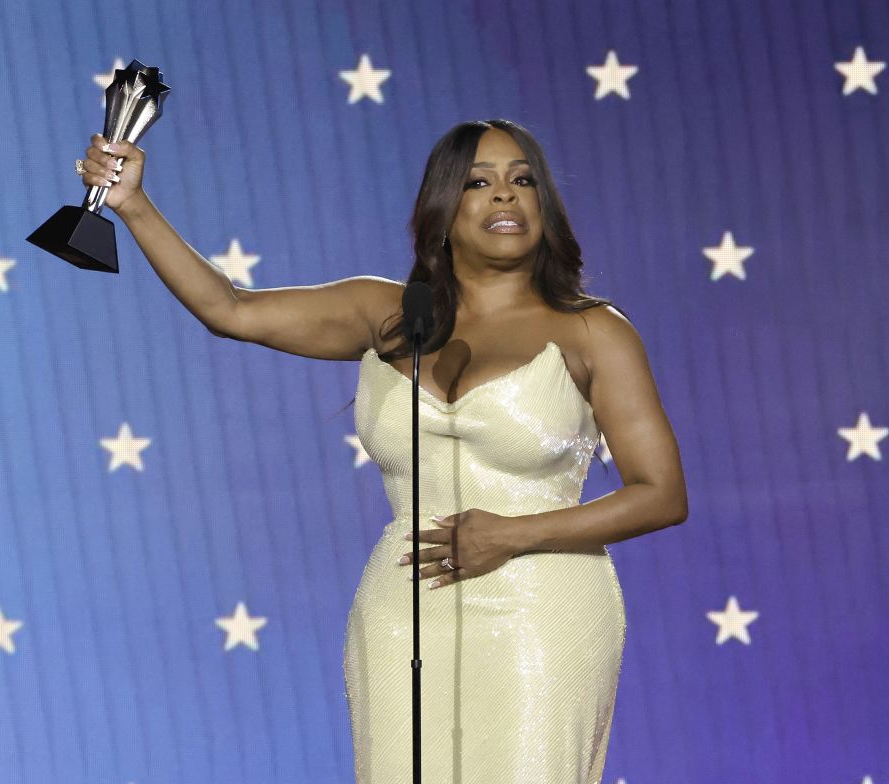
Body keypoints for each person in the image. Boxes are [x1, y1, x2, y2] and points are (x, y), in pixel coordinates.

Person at [77, 118, 688, 783]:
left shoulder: (595, 331)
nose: (506, 198)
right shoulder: (385, 313)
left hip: (541, 609)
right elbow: (230, 308)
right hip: (405, 606)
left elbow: (661, 494)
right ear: (442, 210)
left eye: (523, 181)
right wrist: (132, 204)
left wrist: (513, 535)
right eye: (479, 183)